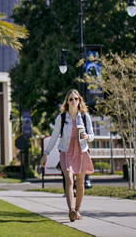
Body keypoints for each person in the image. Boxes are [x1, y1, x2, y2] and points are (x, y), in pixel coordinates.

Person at [40, 89, 95, 222]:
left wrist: (87, 136)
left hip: (81, 152)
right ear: (67, 102)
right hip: (66, 152)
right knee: (69, 180)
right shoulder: (62, 118)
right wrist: (45, 154)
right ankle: (71, 210)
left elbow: (92, 136)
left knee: (80, 183)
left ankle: (77, 209)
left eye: (76, 99)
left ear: (79, 101)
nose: (73, 101)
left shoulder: (85, 117)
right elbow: (54, 137)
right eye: (71, 99)